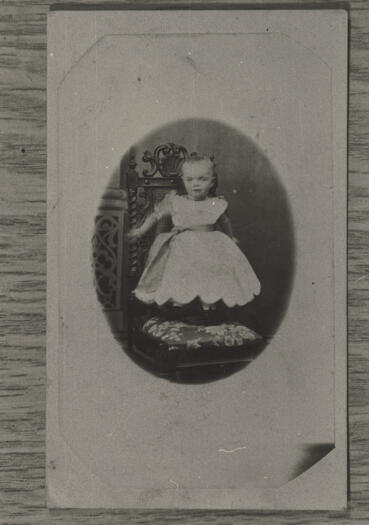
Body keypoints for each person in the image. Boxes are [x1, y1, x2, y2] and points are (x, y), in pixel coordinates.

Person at [127, 155, 261, 318]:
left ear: (212, 182)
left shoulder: (216, 203)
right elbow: (157, 216)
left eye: (202, 179)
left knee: (213, 272)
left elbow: (224, 221)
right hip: (185, 248)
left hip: (211, 245)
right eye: (190, 180)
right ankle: (178, 305)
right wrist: (140, 231)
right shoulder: (176, 201)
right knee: (179, 273)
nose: (195, 184)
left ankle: (209, 307)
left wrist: (231, 238)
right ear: (183, 180)